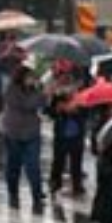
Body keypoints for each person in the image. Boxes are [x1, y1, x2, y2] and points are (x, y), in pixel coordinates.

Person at [0, 60, 48, 211]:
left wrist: (44, 94)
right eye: (29, 77)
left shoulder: (35, 89)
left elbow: (42, 105)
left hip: (32, 132)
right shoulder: (11, 89)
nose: (32, 80)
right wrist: (42, 95)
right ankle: (13, 192)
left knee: (33, 165)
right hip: (14, 132)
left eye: (33, 77)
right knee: (13, 166)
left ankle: (37, 194)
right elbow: (27, 105)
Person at [46, 59, 88, 196]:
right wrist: (59, 109)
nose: (64, 77)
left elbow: (86, 109)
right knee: (59, 157)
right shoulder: (56, 92)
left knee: (76, 157)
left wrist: (75, 110)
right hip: (61, 128)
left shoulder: (81, 91)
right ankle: (55, 182)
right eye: (62, 75)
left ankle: (77, 184)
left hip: (77, 128)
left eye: (67, 75)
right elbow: (49, 111)